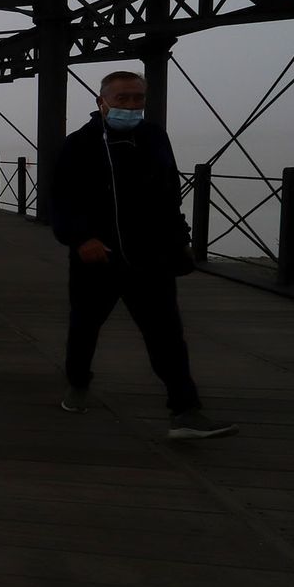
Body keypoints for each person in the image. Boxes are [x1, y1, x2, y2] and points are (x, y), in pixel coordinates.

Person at [49, 70, 236, 439]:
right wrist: (79, 238)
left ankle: (185, 411)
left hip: (151, 257)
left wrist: (179, 238)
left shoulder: (154, 137)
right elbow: (61, 199)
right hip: (97, 257)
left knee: (167, 334)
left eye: (138, 98)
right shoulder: (79, 144)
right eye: (122, 99)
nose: (132, 105)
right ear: (101, 101)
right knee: (85, 326)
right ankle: (77, 384)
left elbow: (170, 192)